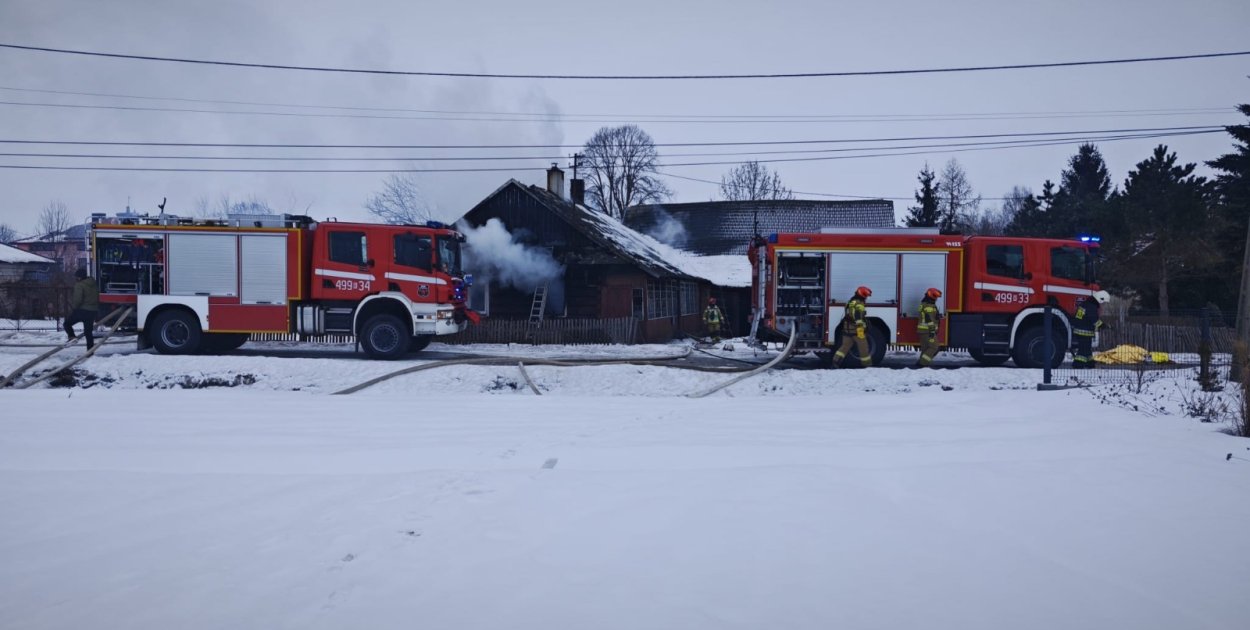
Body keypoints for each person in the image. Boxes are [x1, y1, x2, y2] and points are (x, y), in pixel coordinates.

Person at [832, 286, 872, 368]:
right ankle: (867, 365)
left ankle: (835, 362)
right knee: (863, 347)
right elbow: (858, 316)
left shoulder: (850, 301)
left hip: (847, 328)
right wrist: (861, 327)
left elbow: (849, 314)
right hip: (856, 329)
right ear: (862, 294)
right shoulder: (859, 303)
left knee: (845, 347)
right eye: (866, 295)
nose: (866, 297)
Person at [1072, 290, 1110, 368]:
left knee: (1087, 348)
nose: (1102, 304)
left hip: (1079, 330)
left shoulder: (1085, 304)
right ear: (1100, 299)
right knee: (1083, 350)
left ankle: (1090, 363)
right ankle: (1078, 364)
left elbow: (1079, 317)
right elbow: (1094, 320)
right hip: (1084, 331)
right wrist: (1103, 326)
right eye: (1103, 302)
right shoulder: (1091, 307)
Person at [64, 268, 101, 350]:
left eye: (76, 277)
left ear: (79, 277)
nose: (76, 278)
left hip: (82, 310)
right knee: (88, 333)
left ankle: (72, 337)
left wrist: (74, 308)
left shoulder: (79, 285)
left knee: (67, 323)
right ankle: (90, 352)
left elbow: (78, 300)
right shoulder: (94, 284)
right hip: (93, 311)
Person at [915, 287, 943, 368]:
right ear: (930, 295)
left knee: (925, 349)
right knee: (934, 347)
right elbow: (930, 321)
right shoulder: (929, 306)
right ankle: (922, 364)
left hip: (923, 331)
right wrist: (932, 333)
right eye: (935, 296)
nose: (936, 298)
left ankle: (920, 364)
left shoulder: (925, 304)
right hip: (928, 331)